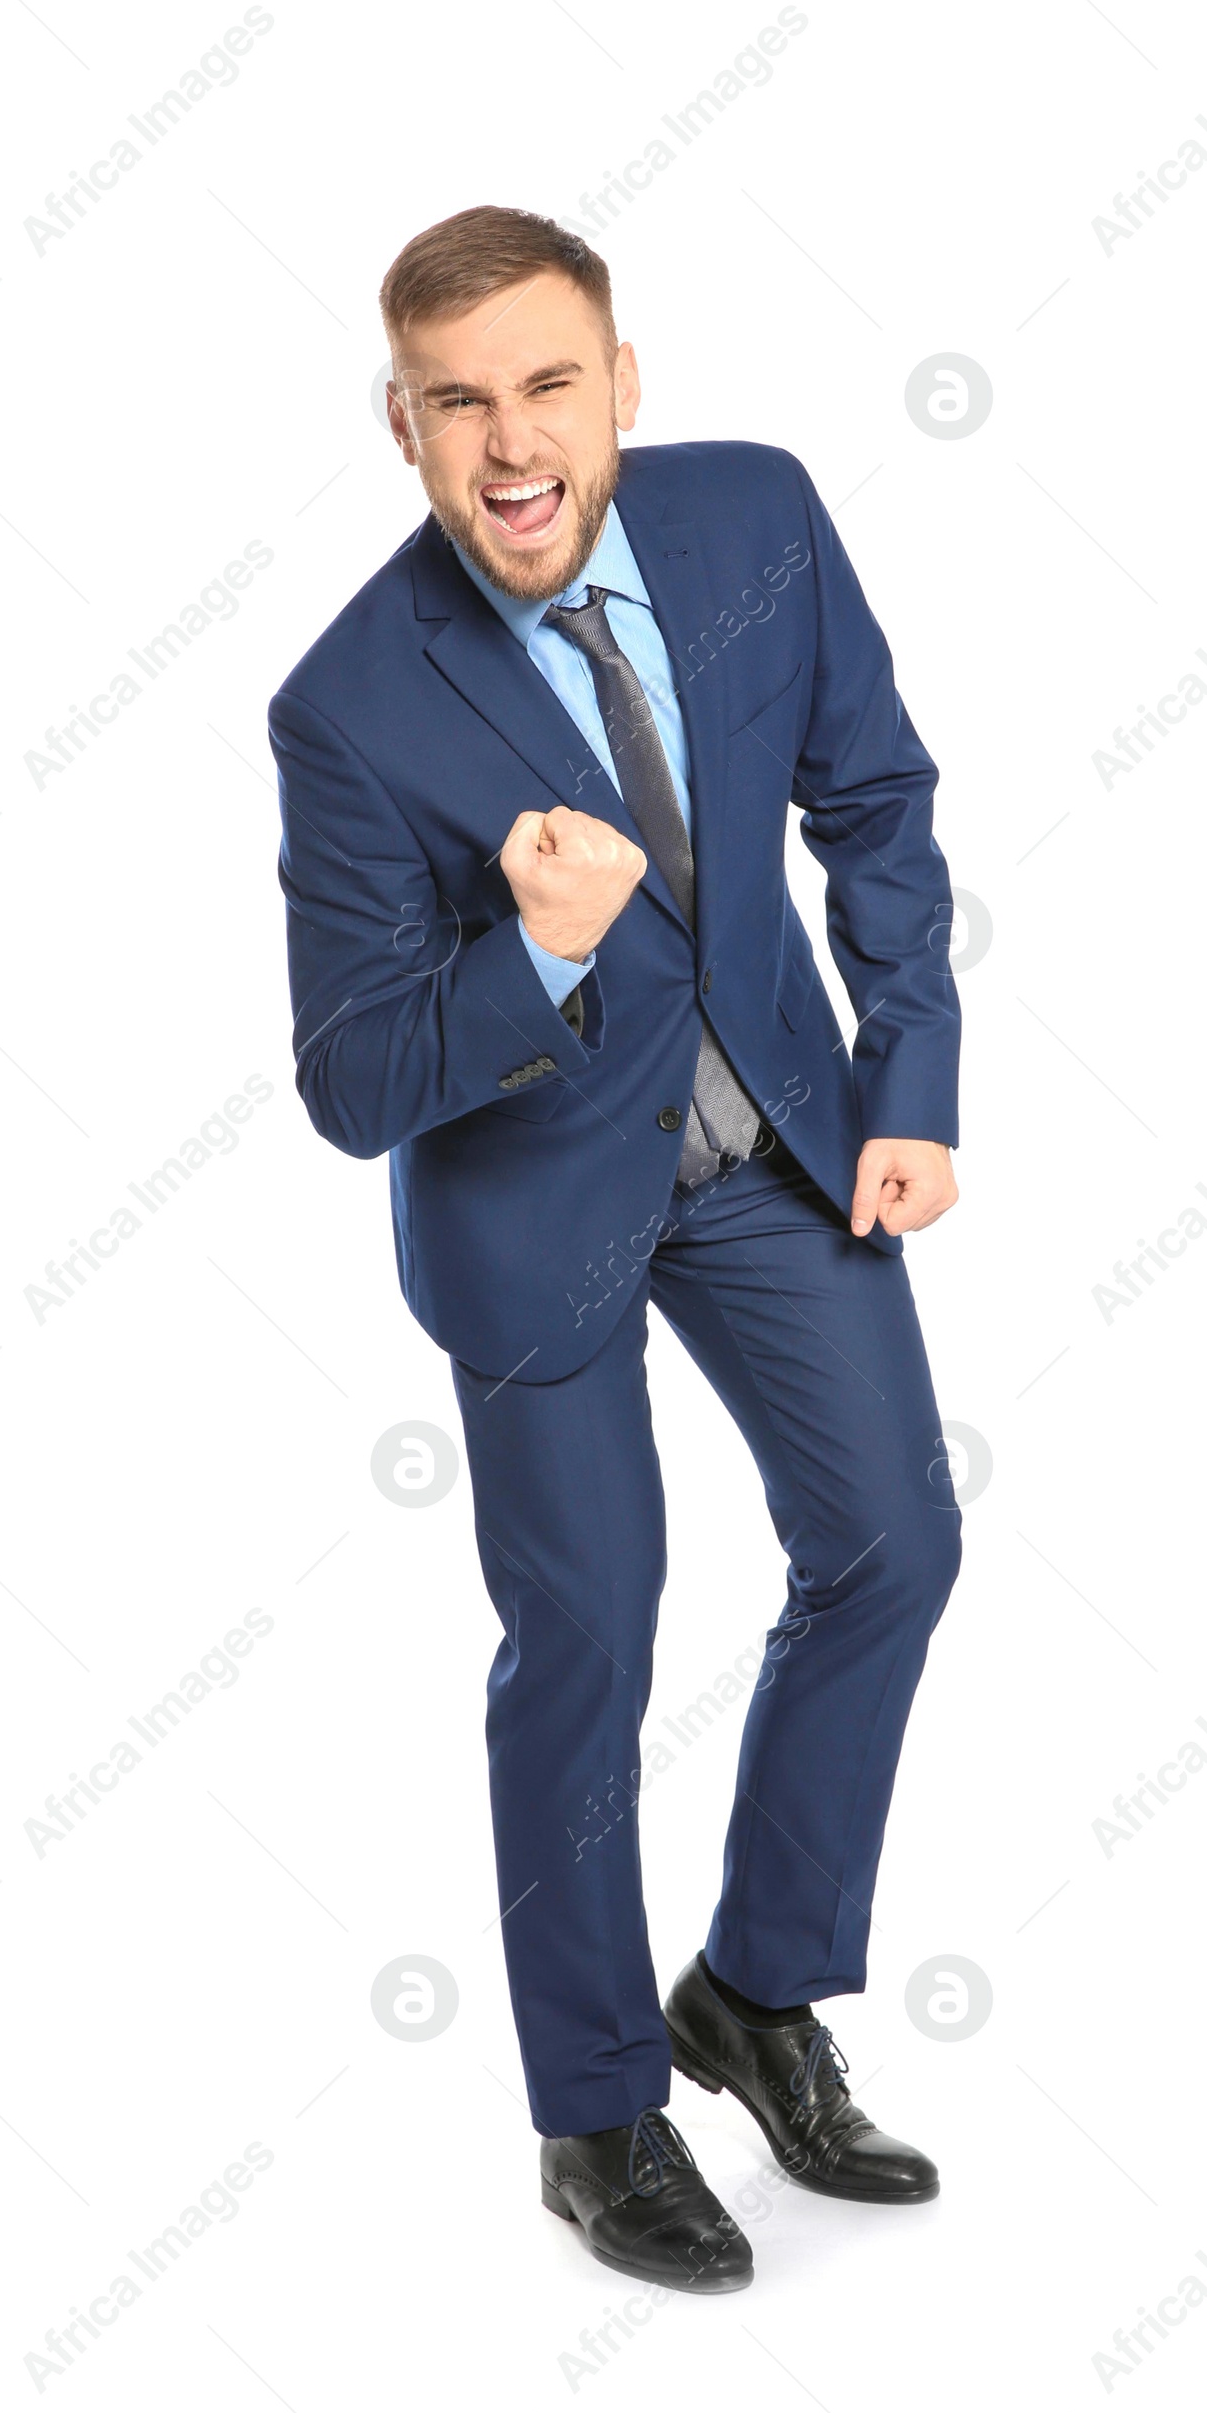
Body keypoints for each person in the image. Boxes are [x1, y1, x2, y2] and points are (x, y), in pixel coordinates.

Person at [271, 204, 964, 2295]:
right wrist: (535, 951)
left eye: (545, 385)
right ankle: (593, 2110)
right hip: (533, 1213)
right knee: (589, 1646)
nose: (508, 443)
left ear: (619, 390)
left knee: (893, 1544)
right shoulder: (348, 706)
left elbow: (875, 797)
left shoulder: (753, 518)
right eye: (456, 400)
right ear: (398, 426)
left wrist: (909, 1075)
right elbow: (351, 1076)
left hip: (768, 1138)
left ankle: (753, 1988)